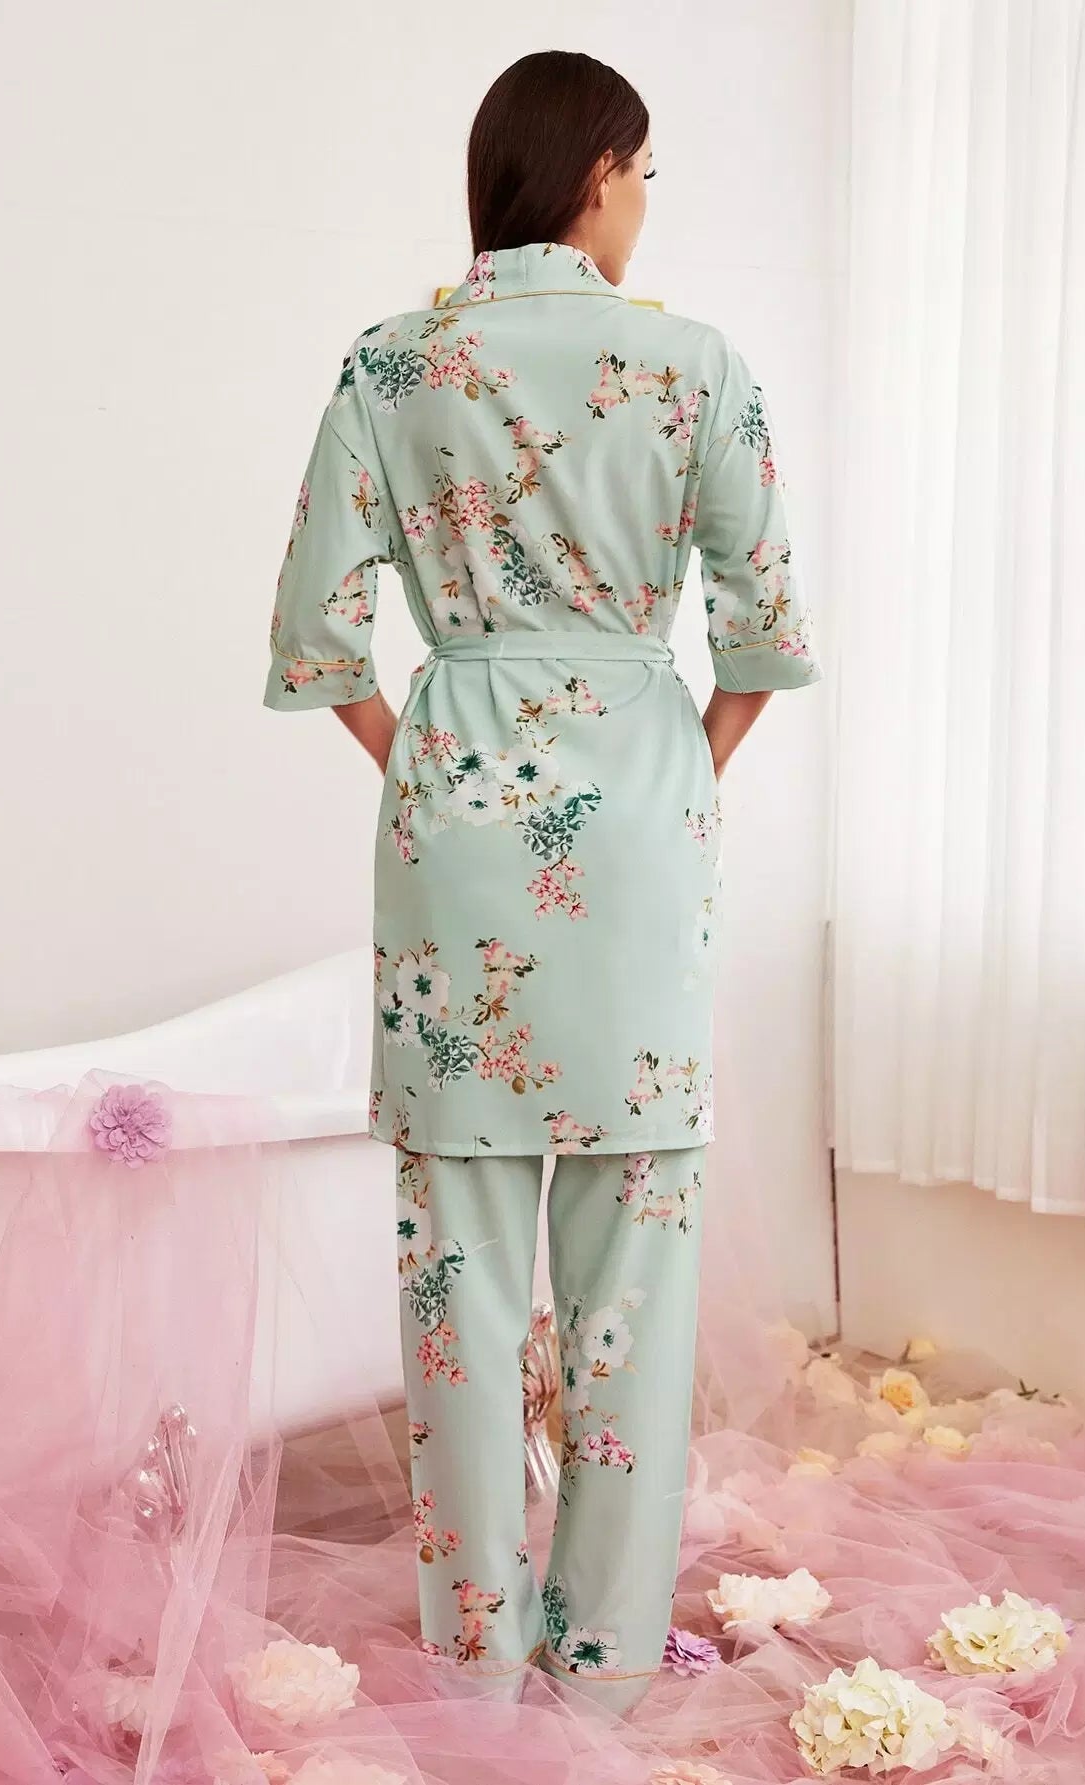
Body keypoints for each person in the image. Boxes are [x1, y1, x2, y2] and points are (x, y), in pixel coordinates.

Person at [264, 48, 819, 1711]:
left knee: (459, 1261)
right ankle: (609, 1652)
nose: (646, 205)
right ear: (593, 177)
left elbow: (317, 639)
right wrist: (674, 774)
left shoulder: (391, 362)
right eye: (642, 175)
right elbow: (765, 633)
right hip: (638, 830)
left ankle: (477, 1649)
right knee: (636, 1254)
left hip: (456, 831)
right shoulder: (694, 365)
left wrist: (424, 772)